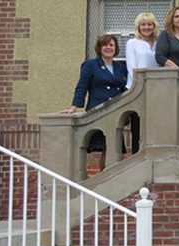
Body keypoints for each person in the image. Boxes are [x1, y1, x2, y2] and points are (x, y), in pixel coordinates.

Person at [63, 34, 128, 154]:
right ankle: (99, 174)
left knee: (114, 149)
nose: (108, 48)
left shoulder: (121, 66)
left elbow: (124, 88)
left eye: (111, 45)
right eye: (105, 45)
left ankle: (110, 173)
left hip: (115, 112)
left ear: (116, 48)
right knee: (99, 149)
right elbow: (82, 86)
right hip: (98, 112)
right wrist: (74, 106)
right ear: (99, 48)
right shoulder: (90, 65)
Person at [124, 12, 158, 153]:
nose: (146, 27)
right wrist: (138, 86)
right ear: (138, 27)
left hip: (155, 88)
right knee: (137, 124)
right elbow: (131, 66)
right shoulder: (132, 43)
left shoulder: (159, 43)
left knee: (153, 123)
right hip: (137, 88)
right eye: (143, 24)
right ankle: (137, 153)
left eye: (149, 24)